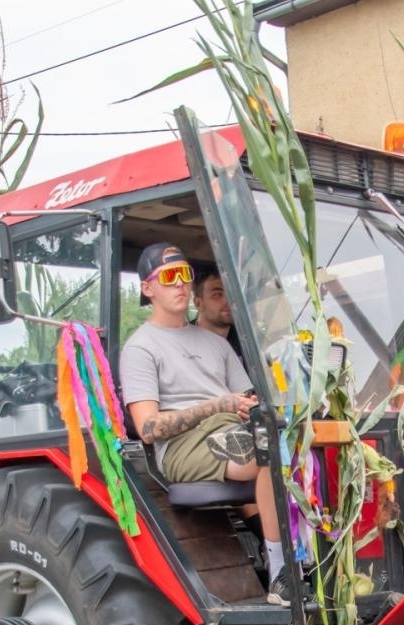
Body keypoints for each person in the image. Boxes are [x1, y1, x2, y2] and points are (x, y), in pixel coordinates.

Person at [120, 243, 289, 604]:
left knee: (294, 438)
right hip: (183, 447)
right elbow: (148, 428)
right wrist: (216, 406)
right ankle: (282, 573)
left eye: (185, 275)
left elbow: (248, 398)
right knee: (269, 448)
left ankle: (313, 560)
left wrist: (252, 408)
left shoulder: (215, 344)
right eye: (169, 277)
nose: (180, 284)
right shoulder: (140, 348)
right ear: (148, 288)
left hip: (232, 429)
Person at [191, 265, 241, 355]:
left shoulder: (246, 338)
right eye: (217, 294)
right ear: (198, 303)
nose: (228, 300)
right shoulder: (185, 342)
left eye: (231, 293)